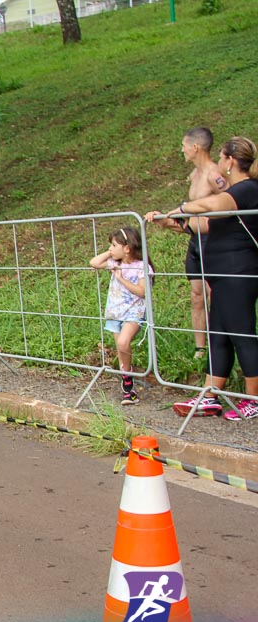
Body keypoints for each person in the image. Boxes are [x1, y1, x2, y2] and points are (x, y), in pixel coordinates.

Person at [147, 136, 258, 421]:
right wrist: (174, 223)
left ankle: (253, 399)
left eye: (221, 158)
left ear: (230, 160)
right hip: (222, 276)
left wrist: (183, 207)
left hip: (238, 274)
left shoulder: (247, 189)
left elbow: (213, 204)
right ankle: (210, 395)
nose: (220, 164)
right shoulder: (236, 193)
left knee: (242, 335)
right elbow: (207, 226)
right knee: (219, 335)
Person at [155, 128, 227, 359]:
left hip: (213, 240)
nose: (182, 150)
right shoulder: (194, 176)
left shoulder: (214, 174)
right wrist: (169, 222)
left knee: (212, 292)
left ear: (195, 147)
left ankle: (220, 343)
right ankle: (200, 348)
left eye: (184, 145)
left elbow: (231, 203)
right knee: (196, 294)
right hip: (195, 240)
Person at [89, 227, 152, 406]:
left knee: (124, 342)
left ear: (127, 247)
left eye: (114, 245)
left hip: (133, 313)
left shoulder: (142, 266)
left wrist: (121, 278)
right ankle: (128, 385)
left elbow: (142, 292)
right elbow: (93, 262)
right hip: (115, 312)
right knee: (120, 347)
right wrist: (110, 253)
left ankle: (127, 382)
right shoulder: (115, 263)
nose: (110, 248)